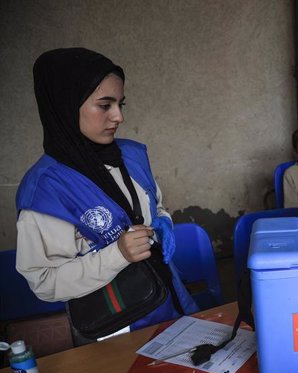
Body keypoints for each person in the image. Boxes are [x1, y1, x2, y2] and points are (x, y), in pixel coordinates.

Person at [15, 48, 198, 342]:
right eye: (105, 105)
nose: (119, 116)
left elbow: (155, 206)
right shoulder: (46, 190)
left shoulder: (132, 156)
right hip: (117, 324)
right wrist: (118, 255)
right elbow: (44, 281)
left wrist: (163, 222)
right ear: (65, 106)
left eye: (120, 103)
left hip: (169, 297)